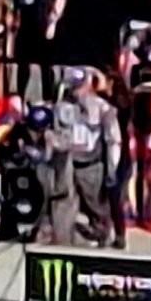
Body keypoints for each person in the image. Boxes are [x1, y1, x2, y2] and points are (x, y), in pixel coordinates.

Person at [53, 65, 123, 243]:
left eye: (79, 85)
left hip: (92, 165)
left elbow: (113, 139)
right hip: (67, 162)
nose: (76, 90)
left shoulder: (103, 108)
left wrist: (112, 169)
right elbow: (57, 132)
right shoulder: (62, 106)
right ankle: (62, 241)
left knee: (96, 205)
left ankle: (104, 236)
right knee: (65, 203)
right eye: (72, 86)